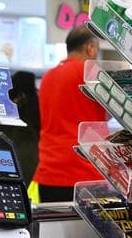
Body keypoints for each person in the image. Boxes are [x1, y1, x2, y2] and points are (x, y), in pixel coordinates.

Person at [32, 25, 107, 202]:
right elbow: (113, 112)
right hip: (86, 173)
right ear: (90, 47)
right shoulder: (91, 74)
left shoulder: (47, 77)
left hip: (49, 175)